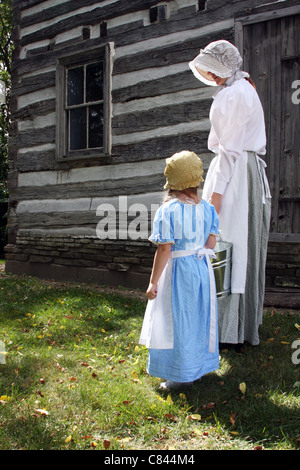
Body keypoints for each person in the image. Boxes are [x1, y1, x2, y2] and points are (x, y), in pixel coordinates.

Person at [189, 40, 271, 348]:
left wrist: (216, 197)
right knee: (237, 245)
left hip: (235, 175)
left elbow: (229, 150)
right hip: (240, 170)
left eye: (214, 69)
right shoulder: (241, 89)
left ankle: (227, 331)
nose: (210, 75)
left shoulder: (236, 94)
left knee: (226, 242)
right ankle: (235, 326)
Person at [139, 150, 220, 390]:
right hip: (202, 271)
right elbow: (211, 243)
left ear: (173, 183)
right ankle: (198, 366)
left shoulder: (169, 210)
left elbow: (164, 250)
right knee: (198, 317)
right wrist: (199, 255)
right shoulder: (208, 209)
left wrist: (153, 282)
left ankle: (178, 374)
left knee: (177, 319)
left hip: (178, 272)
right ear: (196, 181)